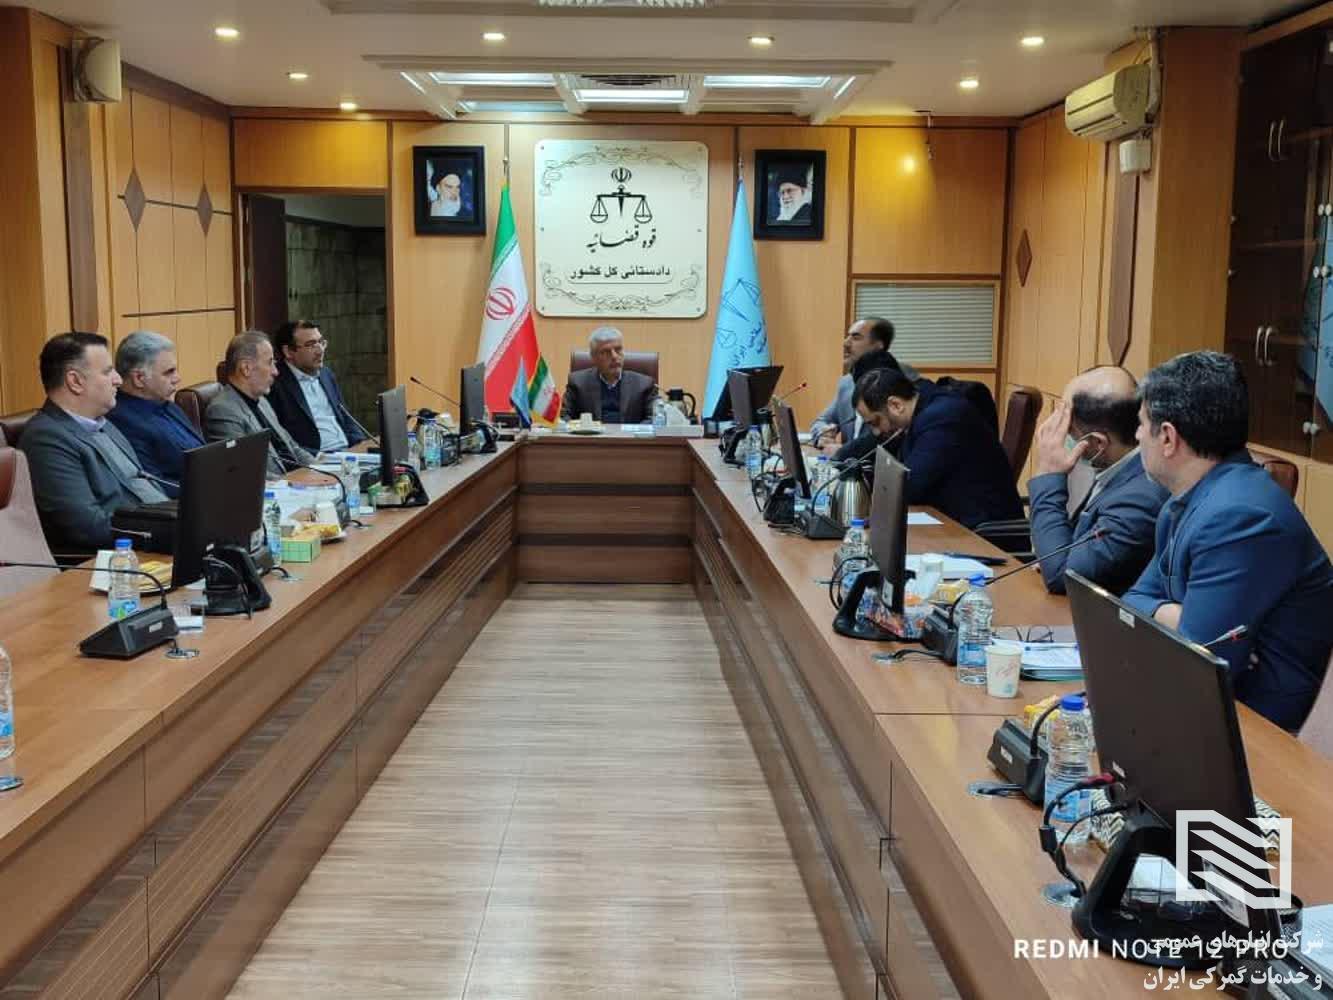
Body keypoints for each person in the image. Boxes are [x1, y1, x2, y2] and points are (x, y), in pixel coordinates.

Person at [1123, 351, 1333, 731]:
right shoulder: (1187, 501)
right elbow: (1133, 600)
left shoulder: (1241, 516)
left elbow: (1199, 658)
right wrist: (1184, 616)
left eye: (1140, 424)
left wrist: (1184, 623)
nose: (1137, 436)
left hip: (1264, 729)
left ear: (1167, 437)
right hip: (1211, 702)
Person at [18, 332, 169, 554]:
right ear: (75, 381)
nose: (118, 380)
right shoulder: (46, 439)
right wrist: (168, 531)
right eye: (108, 372)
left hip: (157, 539)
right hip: (115, 558)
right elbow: (87, 527)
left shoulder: (103, 423)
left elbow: (142, 485)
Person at [1027, 366, 1167, 595]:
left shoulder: (1139, 500)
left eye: (1066, 427)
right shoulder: (1123, 468)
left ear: (1098, 444)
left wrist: (1048, 475)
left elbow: (1063, 578)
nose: (1055, 435)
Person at [852, 367, 1023, 529]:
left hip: (983, 532)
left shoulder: (941, 418)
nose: (876, 432)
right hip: (953, 522)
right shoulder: (925, 408)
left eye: (876, 422)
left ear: (896, 405)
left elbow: (910, 487)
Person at [105, 330, 204, 498]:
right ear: (139, 378)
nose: (177, 378)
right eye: (169, 372)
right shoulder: (123, 421)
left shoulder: (168, 405)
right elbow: (154, 485)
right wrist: (208, 487)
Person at [205, 331, 316, 479]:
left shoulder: (262, 401)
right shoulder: (222, 411)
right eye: (270, 363)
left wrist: (319, 470)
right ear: (246, 368)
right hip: (276, 489)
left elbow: (292, 447)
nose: (276, 372)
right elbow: (243, 471)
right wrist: (295, 482)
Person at [810, 317, 919, 454]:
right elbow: (821, 421)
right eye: (847, 336)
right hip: (847, 464)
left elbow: (885, 437)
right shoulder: (847, 382)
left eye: (856, 337)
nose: (845, 343)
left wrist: (842, 452)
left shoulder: (902, 381)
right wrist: (823, 434)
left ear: (878, 346)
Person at [266, 320, 366, 453]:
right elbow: (281, 441)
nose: (320, 350)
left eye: (321, 342)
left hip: (347, 453)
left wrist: (361, 444)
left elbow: (345, 417)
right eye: (311, 345)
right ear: (288, 351)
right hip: (316, 457)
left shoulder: (326, 374)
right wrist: (321, 458)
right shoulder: (274, 383)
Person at [559, 327, 658, 424]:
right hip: (592, 435)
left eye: (618, 349)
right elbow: (564, 417)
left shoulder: (644, 384)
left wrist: (633, 432)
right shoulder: (578, 382)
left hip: (629, 435)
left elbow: (655, 418)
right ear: (593, 357)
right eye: (605, 352)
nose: (614, 356)